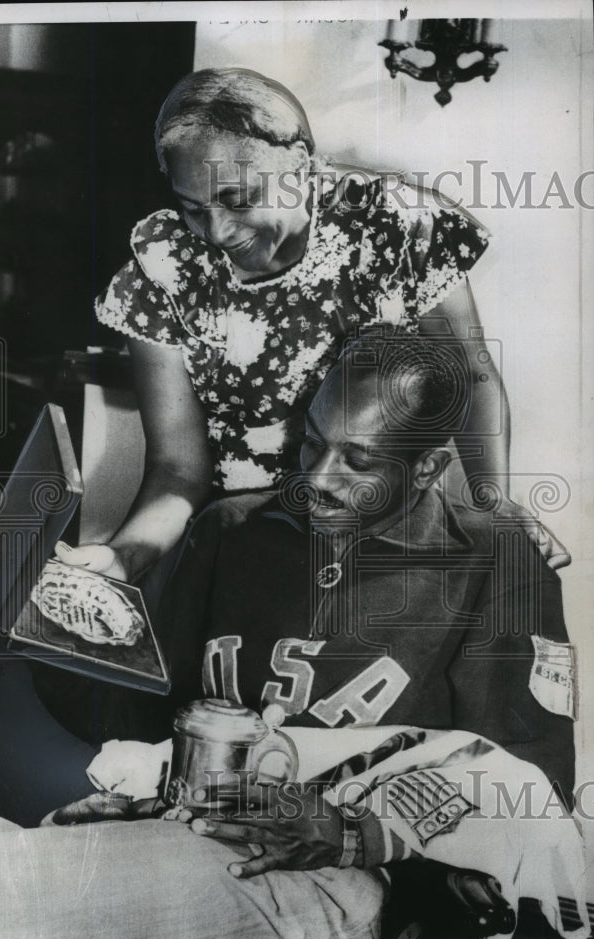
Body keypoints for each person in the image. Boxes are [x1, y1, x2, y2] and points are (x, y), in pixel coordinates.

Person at [0, 338, 587, 939]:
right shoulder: (231, 529)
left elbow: (529, 787)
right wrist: (36, 613)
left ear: (427, 467)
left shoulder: (495, 560)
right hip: (187, 833)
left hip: (343, 879)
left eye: (358, 461)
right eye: (313, 444)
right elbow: (145, 717)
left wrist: (357, 833)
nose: (316, 478)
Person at [54, 66, 510, 586]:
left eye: (237, 200)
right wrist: (124, 557)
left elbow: (472, 380)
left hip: (388, 534)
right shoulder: (164, 271)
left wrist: (497, 523)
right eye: (191, 208)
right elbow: (178, 471)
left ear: (298, 165)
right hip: (246, 540)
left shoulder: (392, 226)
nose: (217, 232)